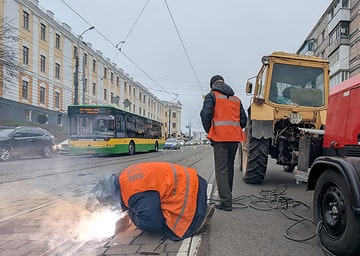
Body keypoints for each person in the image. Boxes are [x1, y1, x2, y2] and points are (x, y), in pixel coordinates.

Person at [90, 162, 214, 240]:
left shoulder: (132, 193)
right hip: (195, 182)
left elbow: (153, 223)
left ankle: (199, 217)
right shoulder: (126, 175)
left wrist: (132, 214)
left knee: (165, 224)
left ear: (113, 196)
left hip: (189, 193)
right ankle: (200, 207)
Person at [200, 75, 247, 211]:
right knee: (229, 167)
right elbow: (244, 120)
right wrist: (234, 129)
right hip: (234, 139)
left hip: (220, 138)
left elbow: (205, 115)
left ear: (212, 85)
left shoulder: (212, 96)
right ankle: (228, 196)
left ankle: (226, 202)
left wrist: (210, 131)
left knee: (221, 169)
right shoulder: (236, 99)